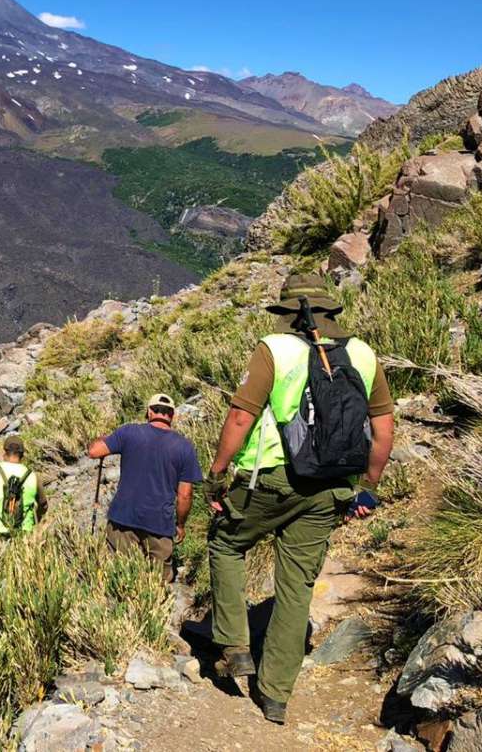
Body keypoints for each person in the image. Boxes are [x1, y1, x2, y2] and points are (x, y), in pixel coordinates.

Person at [204, 273, 394, 725]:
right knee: (296, 588)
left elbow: (239, 416)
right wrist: (366, 486)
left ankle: (233, 645)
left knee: (227, 543)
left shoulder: (276, 348)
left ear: (289, 313)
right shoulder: (364, 354)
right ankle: (275, 696)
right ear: (330, 310)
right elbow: (383, 429)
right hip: (331, 487)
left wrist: (216, 472)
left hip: (272, 478)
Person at [87, 393, 203, 585]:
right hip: (159, 523)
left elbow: (94, 451)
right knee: (159, 584)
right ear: (172, 415)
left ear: (149, 412)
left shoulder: (129, 432)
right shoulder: (184, 447)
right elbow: (185, 495)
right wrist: (180, 525)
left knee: (120, 578)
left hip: (123, 518)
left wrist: (100, 438)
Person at [0, 436, 47, 536]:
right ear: (22, 455)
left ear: (4, 453)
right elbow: (43, 505)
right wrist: (35, 522)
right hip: (23, 534)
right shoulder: (33, 476)